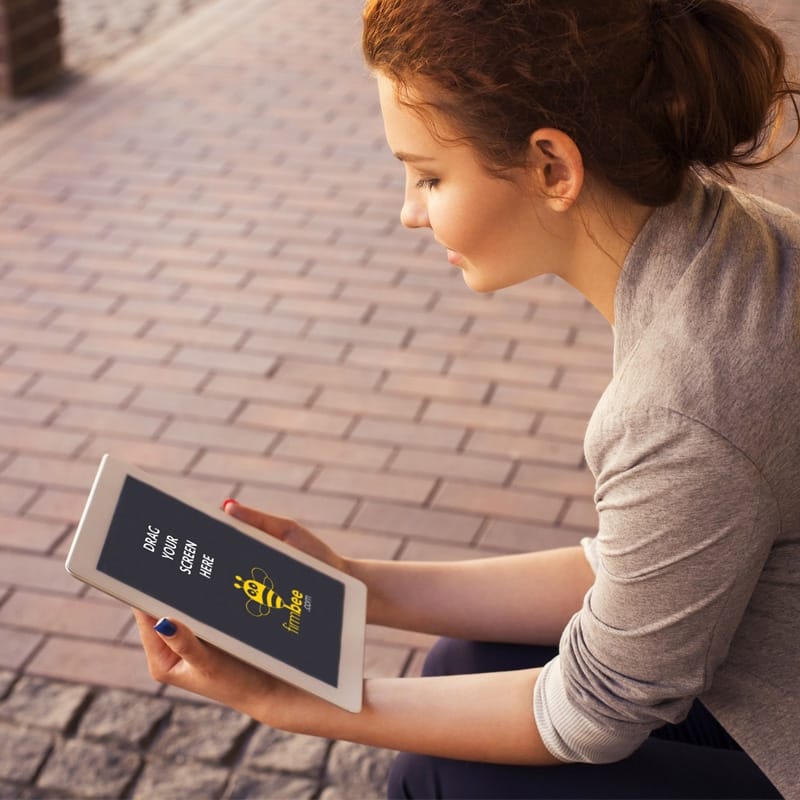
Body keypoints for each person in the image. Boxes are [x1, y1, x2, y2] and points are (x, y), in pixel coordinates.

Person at [133, 0, 800, 796]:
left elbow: (594, 711)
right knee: (463, 659)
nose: (409, 212)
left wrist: (292, 701)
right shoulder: (734, 243)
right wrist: (352, 585)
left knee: (445, 778)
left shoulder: (680, 402)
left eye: (429, 176)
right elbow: (643, 562)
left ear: (554, 167)